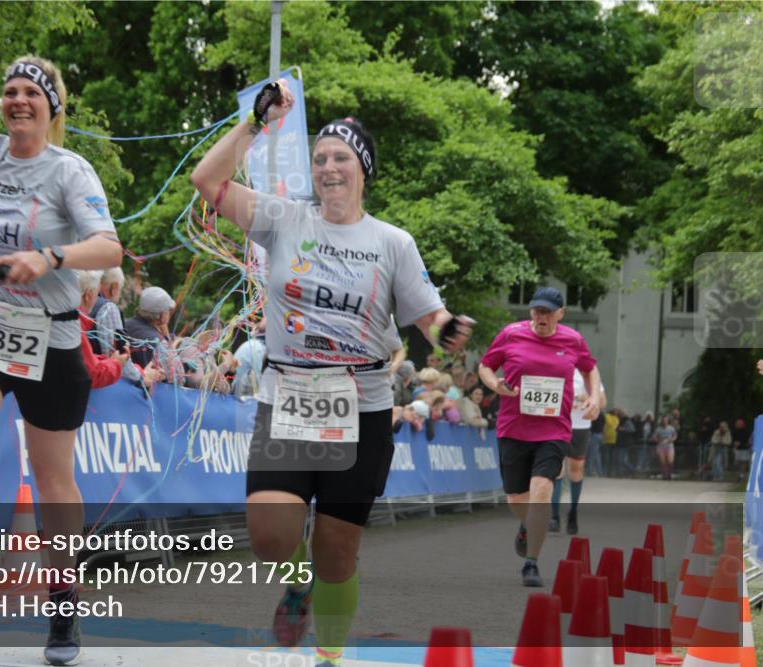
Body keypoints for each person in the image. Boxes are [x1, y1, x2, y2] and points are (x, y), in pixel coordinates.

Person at [190, 80, 473, 667]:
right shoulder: (283, 218)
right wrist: (255, 125)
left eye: (341, 157)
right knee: (270, 536)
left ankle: (329, 657)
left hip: (361, 406)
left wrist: (445, 331)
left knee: (338, 553)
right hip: (289, 396)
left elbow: (426, 312)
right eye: (319, 158)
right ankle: (298, 584)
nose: (327, 166)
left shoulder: (392, 243)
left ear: (363, 169)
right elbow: (208, 183)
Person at [0, 55, 122, 666]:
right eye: (8, 91)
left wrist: (50, 259)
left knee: (52, 482)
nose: (17, 101)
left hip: (55, 335)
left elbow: (109, 244)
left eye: (30, 94)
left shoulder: (69, 169)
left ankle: (63, 607)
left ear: (52, 108)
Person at [478, 286, 601, 587]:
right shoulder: (511, 334)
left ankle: (531, 563)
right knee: (517, 497)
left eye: (547, 311)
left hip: (553, 430)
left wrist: (595, 396)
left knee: (542, 490)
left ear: (561, 313)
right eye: (537, 310)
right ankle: (525, 525)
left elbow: (590, 368)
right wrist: (495, 384)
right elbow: (485, 365)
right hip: (513, 427)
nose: (541, 316)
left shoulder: (572, 340)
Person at [550, 368, 606, 534]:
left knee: (575, 471)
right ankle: (554, 517)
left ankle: (573, 513)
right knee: (556, 470)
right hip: (556, 425)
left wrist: (587, 399)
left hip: (580, 427)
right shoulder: (554, 368)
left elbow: (602, 401)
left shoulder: (587, 374)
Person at [124, 286, 175, 372]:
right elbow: (178, 377)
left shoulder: (123, 324)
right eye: (169, 310)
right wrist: (167, 336)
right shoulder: (159, 342)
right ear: (163, 316)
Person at [652, 415, 678, 480]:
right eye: (663, 420)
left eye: (666, 420)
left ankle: (670, 474)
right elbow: (654, 437)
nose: (665, 422)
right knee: (663, 462)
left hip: (669, 446)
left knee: (670, 461)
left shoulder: (671, 428)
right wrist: (658, 440)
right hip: (661, 446)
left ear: (667, 421)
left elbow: (675, 436)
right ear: (662, 421)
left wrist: (672, 439)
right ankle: (665, 475)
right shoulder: (658, 429)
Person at [603, 408, 620, 476]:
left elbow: (616, 426)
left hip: (614, 440)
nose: (616, 413)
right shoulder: (607, 416)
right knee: (606, 457)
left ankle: (610, 473)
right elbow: (607, 425)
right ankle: (605, 472)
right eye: (615, 411)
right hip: (606, 439)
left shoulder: (616, 418)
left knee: (611, 458)